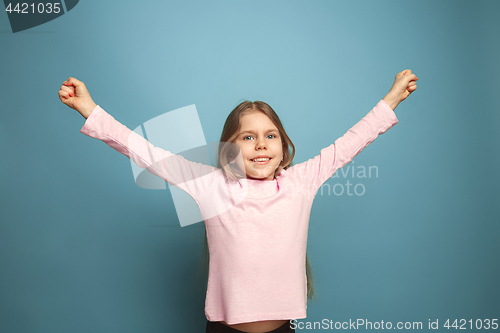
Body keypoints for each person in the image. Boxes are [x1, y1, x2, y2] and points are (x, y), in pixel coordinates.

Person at [58, 70, 418, 333]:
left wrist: (391, 99)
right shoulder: (209, 185)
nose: (261, 144)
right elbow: (146, 153)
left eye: (270, 136)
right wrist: (90, 110)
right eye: (248, 136)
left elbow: (349, 144)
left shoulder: (301, 182)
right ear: (229, 150)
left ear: (282, 148)